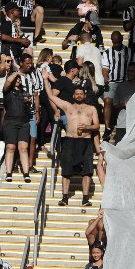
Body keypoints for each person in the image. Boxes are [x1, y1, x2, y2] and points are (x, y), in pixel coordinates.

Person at [43, 74, 100, 206]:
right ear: (73, 96)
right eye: (77, 94)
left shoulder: (91, 109)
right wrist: (46, 79)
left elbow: (97, 125)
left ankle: (85, 198)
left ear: (84, 95)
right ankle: (65, 197)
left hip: (86, 141)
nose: (79, 96)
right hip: (70, 140)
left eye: (81, 94)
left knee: (87, 171)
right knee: (66, 170)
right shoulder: (68, 106)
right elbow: (51, 96)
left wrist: (87, 126)